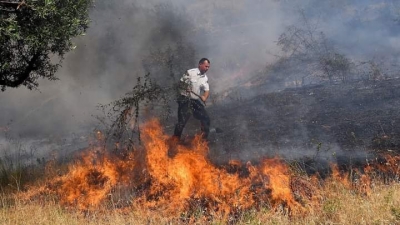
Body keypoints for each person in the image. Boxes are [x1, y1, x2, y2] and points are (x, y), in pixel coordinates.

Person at [172, 58, 211, 141]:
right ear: (200, 65)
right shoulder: (190, 72)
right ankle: (174, 141)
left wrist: (204, 96)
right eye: (206, 66)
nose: (207, 68)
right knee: (182, 122)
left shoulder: (205, 78)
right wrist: (186, 87)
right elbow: (180, 83)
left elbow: (207, 90)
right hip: (185, 99)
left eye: (208, 67)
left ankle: (202, 140)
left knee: (206, 118)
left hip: (195, 101)